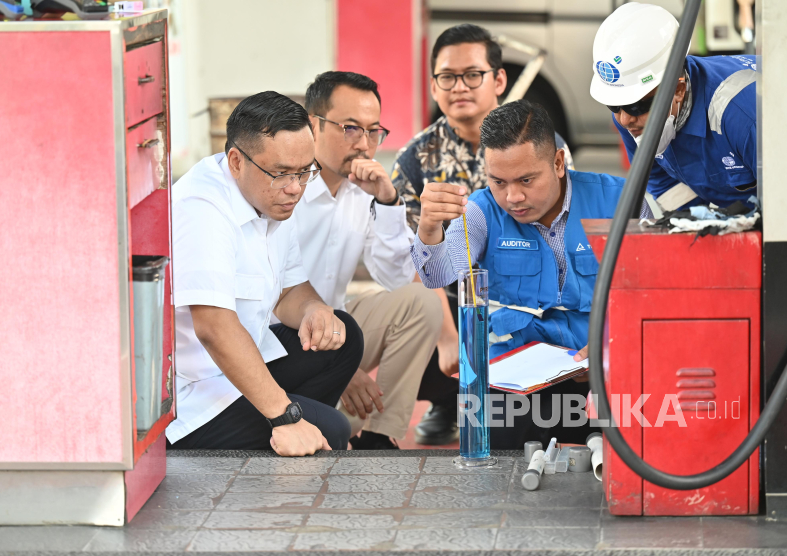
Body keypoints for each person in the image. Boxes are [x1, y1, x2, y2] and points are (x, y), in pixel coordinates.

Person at [412, 99, 647, 448]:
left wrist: (614, 343)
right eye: (498, 181)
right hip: (518, 378)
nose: (513, 196)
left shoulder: (624, 202)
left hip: (603, 367)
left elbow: (661, 291)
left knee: (644, 433)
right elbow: (441, 274)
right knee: (493, 442)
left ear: (557, 162)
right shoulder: (479, 211)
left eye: (526, 179)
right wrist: (429, 228)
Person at [391, 23, 573, 445]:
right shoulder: (415, 160)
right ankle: (445, 400)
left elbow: (563, 228)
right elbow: (410, 258)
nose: (459, 87)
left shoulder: (540, 141)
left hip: (525, 297)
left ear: (498, 80)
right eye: (446, 77)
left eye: (472, 74)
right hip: (451, 306)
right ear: (434, 85)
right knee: (407, 317)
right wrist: (448, 337)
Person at [166, 92, 363, 456]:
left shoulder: (271, 196)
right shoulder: (201, 210)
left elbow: (290, 290)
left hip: (247, 360)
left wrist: (314, 310)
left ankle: (284, 439)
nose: (295, 188)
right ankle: (285, 433)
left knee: (342, 334)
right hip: (196, 395)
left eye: (305, 171)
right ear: (237, 161)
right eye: (282, 173)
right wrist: (285, 417)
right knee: (333, 429)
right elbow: (213, 327)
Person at [293, 71, 441, 450]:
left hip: (337, 334)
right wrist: (344, 367)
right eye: (350, 129)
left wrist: (388, 201)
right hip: (278, 342)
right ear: (313, 124)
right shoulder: (284, 185)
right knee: (332, 428)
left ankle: (378, 436)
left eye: (373, 131)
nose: (363, 145)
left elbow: (401, 276)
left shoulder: (362, 194)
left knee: (420, 303)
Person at [590, 2, 757, 212]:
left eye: (635, 106)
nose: (624, 120)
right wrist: (694, 224)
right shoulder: (635, 123)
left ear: (678, 89)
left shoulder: (742, 117)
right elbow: (664, 185)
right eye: (613, 105)